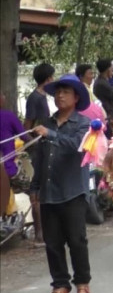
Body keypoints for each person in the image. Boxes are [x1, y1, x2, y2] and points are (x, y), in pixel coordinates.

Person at [29, 74, 92, 293]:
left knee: (77, 240)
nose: (59, 95)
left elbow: (77, 146)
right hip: (48, 191)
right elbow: (40, 158)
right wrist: (35, 187)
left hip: (73, 190)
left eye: (65, 92)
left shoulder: (83, 124)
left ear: (76, 97)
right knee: (53, 243)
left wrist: (52, 135)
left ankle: (82, 284)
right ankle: (60, 286)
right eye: (57, 92)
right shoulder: (47, 122)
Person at [25, 62, 54, 243]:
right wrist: (33, 145)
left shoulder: (44, 97)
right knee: (36, 188)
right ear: (47, 78)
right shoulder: (35, 98)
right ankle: (39, 234)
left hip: (45, 146)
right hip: (38, 148)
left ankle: (46, 230)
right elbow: (27, 126)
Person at [93, 59, 113, 127]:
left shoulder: (101, 81)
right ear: (108, 69)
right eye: (111, 68)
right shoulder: (102, 84)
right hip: (107, 116)